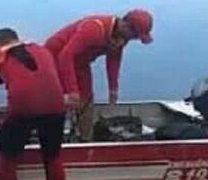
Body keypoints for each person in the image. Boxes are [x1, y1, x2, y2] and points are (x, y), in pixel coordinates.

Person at [0, 28, 67, 180]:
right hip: (56, 106)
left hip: (23, 109)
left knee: (8, 159)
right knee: (52, 158)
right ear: (17, 39)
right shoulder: (42, 50)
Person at [44, 9, 154, 141]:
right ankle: (53, 137)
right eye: (135, 35)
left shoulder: (121, 38)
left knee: (87, 99)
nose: (134, 39)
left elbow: (113, 60)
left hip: (81, 63)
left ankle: (86, 140)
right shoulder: (94, 29)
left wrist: (113, 90)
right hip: (54, 59)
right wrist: (72, 90)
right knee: (64, 100)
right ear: (125, 25)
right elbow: (65, 56)